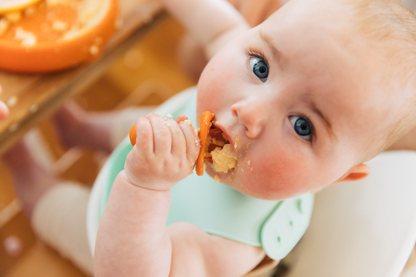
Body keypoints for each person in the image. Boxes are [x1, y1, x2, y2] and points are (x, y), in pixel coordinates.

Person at [3, 0, 416, 276]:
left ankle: (19, 160)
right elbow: (208, 15)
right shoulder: (250, 49)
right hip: (150, 141)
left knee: (55, 207)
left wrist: (145, 186)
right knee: (139, 124)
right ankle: (79, 130)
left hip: (108, 233)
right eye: (260, 68)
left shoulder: (233, 244)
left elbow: (131, 271)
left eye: (302, 125)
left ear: (339, 176)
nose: (247, 110)